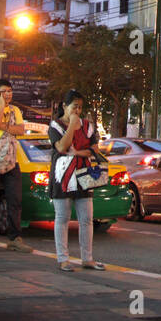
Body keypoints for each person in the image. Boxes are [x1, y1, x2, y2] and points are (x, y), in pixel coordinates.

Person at [48, 89, 106, 271]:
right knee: (62, 218)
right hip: (63, 176)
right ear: (64, 106)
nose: (78, 111)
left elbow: (94, 149)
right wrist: (72, 126)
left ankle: (87, 258)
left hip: (84, 175)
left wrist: (78, 152)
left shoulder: (88, 126)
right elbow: (62, 148)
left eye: (80, 107)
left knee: (87, 218)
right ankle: (63, 259)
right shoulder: (55, 126)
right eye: (74, 107)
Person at [0, 77, 32, 252]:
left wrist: (0, 125)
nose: (8, 95)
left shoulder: (15, 109)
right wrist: (1, 107)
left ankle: (15, 238)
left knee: (15, 199)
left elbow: (20, 130)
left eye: (10, 91)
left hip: (11, 159)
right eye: (4, 92)